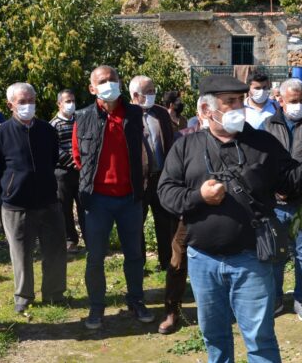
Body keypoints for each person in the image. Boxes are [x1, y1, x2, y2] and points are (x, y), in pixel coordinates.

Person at [157, 75, 302, 362]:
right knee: (214, 337)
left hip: (251, 259)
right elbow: (166, 193)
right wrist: (198, 197)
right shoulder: (185, 147)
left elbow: (291, 182)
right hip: (203, 260)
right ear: (206, 110)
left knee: (260, 338)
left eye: (240, 101)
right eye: (229, 102)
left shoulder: (262, 143)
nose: (238, 108)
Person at [72, 65, 153, 330]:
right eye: (102, 81)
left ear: (120, 82)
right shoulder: (82, 116)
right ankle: (96, 307)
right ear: (92, 88)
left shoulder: (133, 113)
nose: (109, 84)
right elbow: (78, 157)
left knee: (134, 255)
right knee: (95, 257)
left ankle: (136, 300)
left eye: (113, 79)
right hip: (97, 201)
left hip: (130, 199)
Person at [0, 82, 67, 314]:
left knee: (55, 249)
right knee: (20, 254)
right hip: (16, 204)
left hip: (48, 200)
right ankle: (23, 296)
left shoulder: (46, 130)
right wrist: (6, 193)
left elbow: (53, 159)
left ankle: (54, 293)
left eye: (31, 100)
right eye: (22, 102)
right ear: (10, 105)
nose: (28, 106)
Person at [262, 78, 302, 322]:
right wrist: (275, 188)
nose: (298, 105)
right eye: (293, 101)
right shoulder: (268, 126)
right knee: (277, 254)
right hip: (275, 204)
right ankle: (277, 298)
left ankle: (301, 299)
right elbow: (261, 161)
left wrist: (296, 187)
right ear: (280, 100)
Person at [159, 97, 207, 335]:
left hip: (220, 214)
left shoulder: (233, 138)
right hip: (187, 212)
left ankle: (215, 310)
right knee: (178, 262)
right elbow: (171, 181)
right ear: (201, 113)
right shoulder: (183, 139)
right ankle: (172, 310)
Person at [129, 75, 176, 270]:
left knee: (165, 222)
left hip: (161, 177)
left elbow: (170, 142)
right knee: (136, 222)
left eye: (153, 91)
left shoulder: (162, 114)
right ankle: (138, 263)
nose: (152, 95)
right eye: (147, 92)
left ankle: (166, 262)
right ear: (135, 95)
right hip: (138, 179)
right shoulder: (127, 115)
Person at [50, 89, 85, 253]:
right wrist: (73, 161)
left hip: (81, 170)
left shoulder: (79, 120)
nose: (71, 104)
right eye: (67, 101)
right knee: (64, 206)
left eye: (72, 100)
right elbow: (53, 149)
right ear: (59, 104)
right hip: (63, 172)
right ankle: (70, 240)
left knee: (84, 205)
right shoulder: (54, 124)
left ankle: (90, 238)